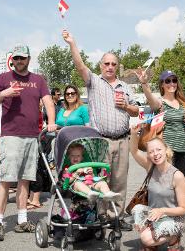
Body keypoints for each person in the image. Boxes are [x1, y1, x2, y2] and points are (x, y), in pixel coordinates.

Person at [62, 30, 139, 230]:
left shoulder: (125, 86)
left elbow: (136, 110)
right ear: (101, 66)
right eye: (107, 63)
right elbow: (79, 66)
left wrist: (126, 106)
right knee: (100, 179)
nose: (110, 67)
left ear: (118, 66)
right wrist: (72, 43)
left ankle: (117, 217)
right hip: (102, 140)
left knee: (120, 181)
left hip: (122, 139)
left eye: (114, 64)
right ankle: (102, 216)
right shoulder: (94, 82)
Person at [0, 44, 57, 241]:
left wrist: (51, 122)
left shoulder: (38, 80)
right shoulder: (4, 78)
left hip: (31, 135)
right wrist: (4, 94)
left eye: (23, 58)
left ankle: (22, 220)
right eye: (16, 58)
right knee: (6, 179)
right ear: (12, 60)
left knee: (25, 179)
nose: (19, 61)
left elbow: (48, 101)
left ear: (28, 59)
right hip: (10, 135)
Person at [129, 130, 185, 251]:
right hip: (154, 214)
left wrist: (162, 211)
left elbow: (183, 209)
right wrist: (134, 134)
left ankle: (174, 239)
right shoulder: (150, 167)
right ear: (149, 155)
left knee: (145, 238)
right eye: (151, 152)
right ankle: (153, 240)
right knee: (136, 209)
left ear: (166, 150)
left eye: (158, 149)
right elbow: (134, 151)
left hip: (173, 217)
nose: (155, 154)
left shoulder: (177, 175)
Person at [135, 69, 185, 179]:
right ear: (162, 85)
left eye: (174, 80)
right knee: (165, 185)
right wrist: (144, 83)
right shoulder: (160, 103)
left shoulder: (183, 103)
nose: (172, 83)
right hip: (166, 151)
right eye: (167, 81)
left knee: (180, 183)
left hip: (182, 150)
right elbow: (149, 97)